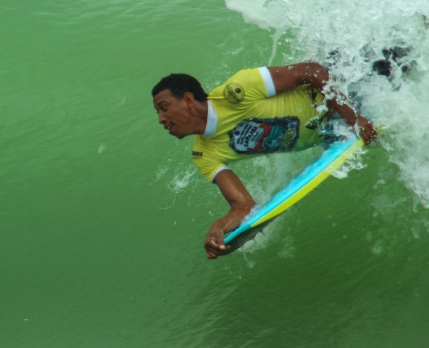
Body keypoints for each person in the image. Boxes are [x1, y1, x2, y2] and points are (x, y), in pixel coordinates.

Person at [151, 63, 376, 259]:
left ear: (189, 99)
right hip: (333, 128)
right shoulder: (204, 155)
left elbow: (313, 71)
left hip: (350, 84)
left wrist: (354, 119)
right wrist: (218, 228)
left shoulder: (235, 92)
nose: (161, 119)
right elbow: (244, 207)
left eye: (164, 108)